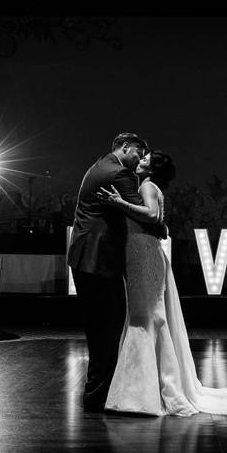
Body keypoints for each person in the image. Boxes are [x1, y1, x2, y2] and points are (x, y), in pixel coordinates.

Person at [97, 150, 227, 416]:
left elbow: (153, 216)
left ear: (153, 169)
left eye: (145, 159)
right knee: (149, 317)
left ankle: (140, 394)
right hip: (141, 253)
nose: (140, 161)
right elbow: (160, 224)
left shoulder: (146, 185)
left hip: (143, 254)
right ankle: (152, 387)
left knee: (144, 318)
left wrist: (119, 203)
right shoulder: (149, 185)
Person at [67, 132, 156, 412]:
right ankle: (98, 397)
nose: (139, 159)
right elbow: (145, 214)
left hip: (85, 258)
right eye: (137, 153)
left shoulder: (98, 165)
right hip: (99, 261)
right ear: (125, 147)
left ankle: (98, 394)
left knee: (99, 329)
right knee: (107, 329)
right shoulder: (120, 174)